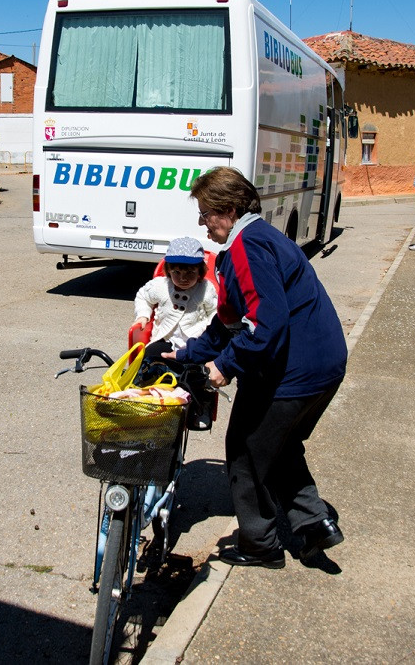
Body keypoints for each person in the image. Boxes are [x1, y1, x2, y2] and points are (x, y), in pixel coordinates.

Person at [165, 167, 348, 569]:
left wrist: (225, 366)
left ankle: (260, 545)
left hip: (293, 371)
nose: (202, 223)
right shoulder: (256, 240)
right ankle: (314, 523)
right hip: (325, 365)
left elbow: (265, 324)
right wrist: (185, 353)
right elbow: (229, 321)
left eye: (206, 213)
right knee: (278, 445)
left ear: (228, 209)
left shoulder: (248, 245)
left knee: (246, 452)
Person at [131, 236, 217, 363]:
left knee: (197, 367)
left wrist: (207, 329)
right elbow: (143, 297)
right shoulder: (160, 285)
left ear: (199, 271)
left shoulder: (205, 288)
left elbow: (215, 311)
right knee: (148, 359)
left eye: (190, 272)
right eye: (177, 272)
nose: (183, 278)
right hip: (165, 338)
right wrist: (143, 315)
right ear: (168, 270)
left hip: (195, 341)